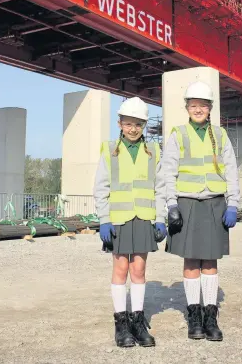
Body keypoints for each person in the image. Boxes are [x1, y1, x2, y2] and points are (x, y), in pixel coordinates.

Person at [160, 81, 240, 341]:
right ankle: (194, 317)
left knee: (211, 261)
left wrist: (233, 203)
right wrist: (170, 204)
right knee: (191, 260)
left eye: (202, 106)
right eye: (193, 105)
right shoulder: (178, 134)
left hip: (215, 203)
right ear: (187, 108)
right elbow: (167, 172)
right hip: (187, 203)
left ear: (210, 108)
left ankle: (210, 316)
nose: (198, 110)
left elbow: (231, 172)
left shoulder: (220, 135)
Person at [93, 97, 167, 348]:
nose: (133, 128)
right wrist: (104, 219)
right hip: (119, 220)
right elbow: (101, 187)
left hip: (144, 218)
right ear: (119, 123)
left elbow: (160, 187)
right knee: (120, 270)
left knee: (139, 271)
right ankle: (121, 324)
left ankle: (137, 320)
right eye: (128, 123)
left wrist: (160, 218)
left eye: (138, 124)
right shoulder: (110, 149)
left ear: (145, 124)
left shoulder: (153, 151)